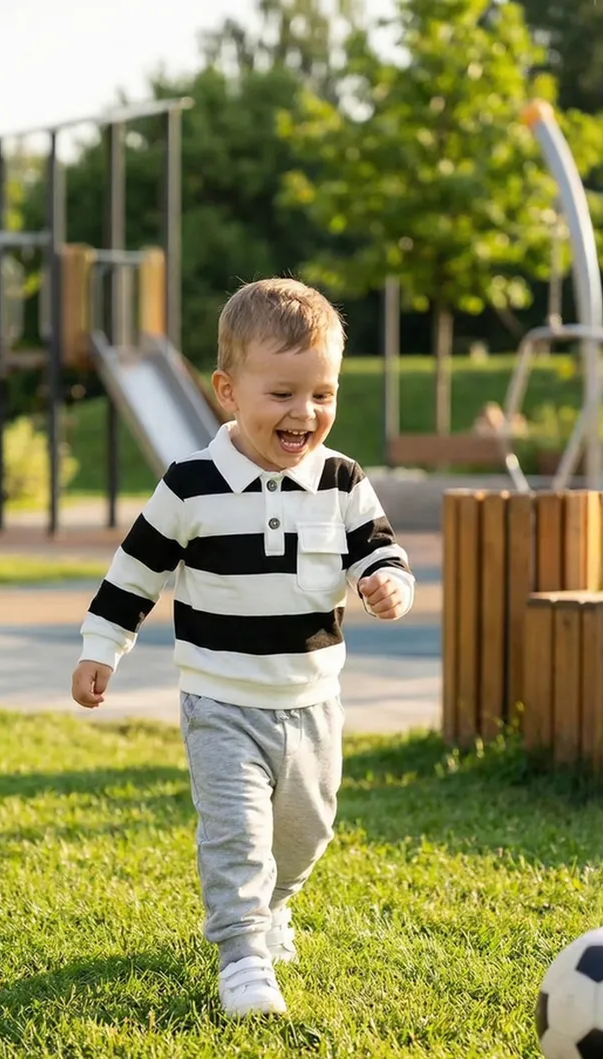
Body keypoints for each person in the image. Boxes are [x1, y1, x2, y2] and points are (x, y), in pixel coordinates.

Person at [71, 278, 415, 1019]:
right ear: (229, 391)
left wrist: (388, 584)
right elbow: (135, 572)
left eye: (322, 394)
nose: (306, 414)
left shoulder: (341, 479)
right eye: (283, 393)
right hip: (221, 699)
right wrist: (103, 646)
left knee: (305, 831)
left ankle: (275, 907)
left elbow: (380, 554)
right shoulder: (191, 486)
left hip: (313, 701)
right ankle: (242, 956)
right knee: (238, 837)